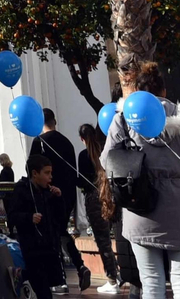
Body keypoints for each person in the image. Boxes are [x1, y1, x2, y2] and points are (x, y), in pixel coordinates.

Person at [101, 61, 180, 299]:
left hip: (141, 205)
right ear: (164, 91)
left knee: (151, 282)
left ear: (137, 92)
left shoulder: (124, 119)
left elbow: (107, 161)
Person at [31, 108, 87, 291]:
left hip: (47, 195)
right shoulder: (67, 142)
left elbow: (31, 169)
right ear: (55, 121)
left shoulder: (39, 142)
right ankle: (79, 265)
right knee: (61, 231)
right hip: (66, 195)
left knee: (52, 236)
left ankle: (60, 280)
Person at [10, 154, 67, 299]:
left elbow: (60, 217)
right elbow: (13, 215)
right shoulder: (21, 190)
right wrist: (29, 218)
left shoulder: (48, 192)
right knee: (42, 289)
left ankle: (22, 276)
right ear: (35, 174)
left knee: (49, 281)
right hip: (32, 246)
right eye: (46, 173)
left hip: (49, 245)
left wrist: (59, 198)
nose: (50, 177)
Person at [78, 124, 121, 294]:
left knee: (103, 242)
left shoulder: (83, 155)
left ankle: (112, 279)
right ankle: (116, 273)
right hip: (110, 196)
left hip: (94, 200)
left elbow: (82, 181)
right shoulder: (105, 151)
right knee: (110, 238)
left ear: (82, 139)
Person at [0, 152, 16, 226]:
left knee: (7, 211)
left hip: (6, 195)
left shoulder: (5, 170)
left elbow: (2, 180)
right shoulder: (10, 170)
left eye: (0, 160)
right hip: (10, 194)